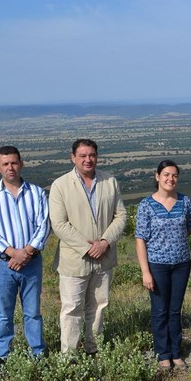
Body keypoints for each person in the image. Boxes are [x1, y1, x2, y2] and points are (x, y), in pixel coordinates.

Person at [49, 139, 126, 355]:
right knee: (72, 308)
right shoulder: (60, 185)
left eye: (91, 155)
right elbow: (59, 224)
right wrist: (87, 247)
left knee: (100, 305)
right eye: (82, 155)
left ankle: (94, 350)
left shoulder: (109, 181)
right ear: (73, 158)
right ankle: (69, 357)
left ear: (97, 156)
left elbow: (121, 216)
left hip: (104, 257)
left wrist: (104, 243)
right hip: (75, 260)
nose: (88, 159)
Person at [0, 146, 50, 365]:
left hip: (31, 262)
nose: (11, 167)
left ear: (21, 164)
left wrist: (26, 252)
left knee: (33, 313)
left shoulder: (36, 193)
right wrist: (12, 253)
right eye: (5, 164)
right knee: (3, 314)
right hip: (2, 265)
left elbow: (44, 225)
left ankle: (37, 353)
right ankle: (3, 354)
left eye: (14, 162)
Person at [135, 160, 191, 370]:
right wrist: (145, 272)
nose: (171, 179)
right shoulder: (146, 205)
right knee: (160, 310)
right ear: (157, 176)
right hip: (157, 265)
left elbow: (188, 229)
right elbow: (140, 239)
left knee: (175, 310)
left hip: (181, 264)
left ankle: (176, 352)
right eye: (166, 174)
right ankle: (163, 354)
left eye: (175, 175)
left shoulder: (185, 202)